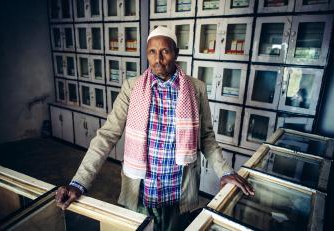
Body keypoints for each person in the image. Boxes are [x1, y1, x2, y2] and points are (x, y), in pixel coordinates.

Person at [55, 26, 254, 231]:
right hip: (142, 193)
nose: (158, 58)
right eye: (152, 51)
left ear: (176, 53)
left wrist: (224, 171)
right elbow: (107, 135)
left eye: (165, 51)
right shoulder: (132, 88)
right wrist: (79, 182)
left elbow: (206, 138)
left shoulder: (196, 89)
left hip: (179, 193)